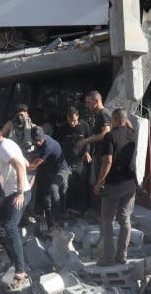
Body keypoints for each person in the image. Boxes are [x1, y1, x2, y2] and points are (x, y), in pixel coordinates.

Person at [0, 123, 31, 290]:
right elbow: (24, 161)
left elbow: (19, 166)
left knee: (10, 227)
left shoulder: (4, 148)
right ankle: (14, 258)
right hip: (12, 192)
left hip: (17, 194)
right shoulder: (6, 145)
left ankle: (21, 272)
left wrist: (20, 192)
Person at [95, 108, 137, 266]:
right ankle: (122, 256)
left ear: (114, 119)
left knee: (107, 220)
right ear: (125, 120)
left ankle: (108, 258)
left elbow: (108, 161)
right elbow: (129, 125)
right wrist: (125, 120)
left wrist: (99, 182)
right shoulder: (133, 134)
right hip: (131, 183)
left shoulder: (110, 136)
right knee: (125, 219)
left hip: (114, 184)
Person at [27, 126, 70, 232]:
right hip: (48, 170)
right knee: (46, 196)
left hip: (61, 170)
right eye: (36, 141)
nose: (38, 143)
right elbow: (35, 155)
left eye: (40, 140)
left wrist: (20, 167)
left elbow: (34, 165)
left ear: (44, 137)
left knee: (53, 188)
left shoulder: (48, 146)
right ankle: (50, 224)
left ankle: (58, 217)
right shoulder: (38, 143)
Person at [77, 91, 112, 215]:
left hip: (104, 156)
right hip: (99, 154)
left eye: (89, 102)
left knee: (100, 184)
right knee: (96, 184)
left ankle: (103, 216)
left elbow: (105, 133)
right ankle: (100, 214)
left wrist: (87, 140)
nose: (87, 105)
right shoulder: (98, 115)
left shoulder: (103, 114)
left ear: (96, 101)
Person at [57, 107, 92, 214]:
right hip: (67, 161)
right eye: (70, 120)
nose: (72, 123)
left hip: (80, 160)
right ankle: (66, 208)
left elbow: (89, 140)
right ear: (67, 118)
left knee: (81, 184)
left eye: (74, 120)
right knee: (66, 185)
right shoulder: (63, 127)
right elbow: (58, 142)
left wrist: (87, 152)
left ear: (78, 117)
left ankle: (83, 208)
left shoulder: (84, 126)